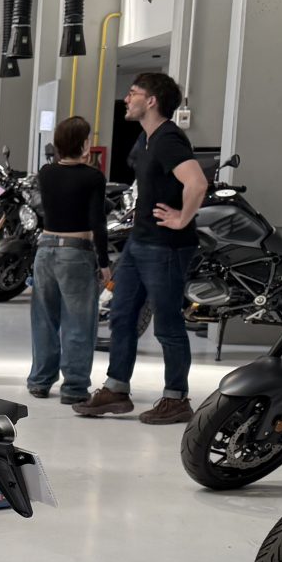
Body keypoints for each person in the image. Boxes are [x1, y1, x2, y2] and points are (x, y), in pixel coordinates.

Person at [76, 70, 208, 424]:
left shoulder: (168, 139)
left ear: (151, 101)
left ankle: (176, 398)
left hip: (166, 245)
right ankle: (116, 389)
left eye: (133, 93)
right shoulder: (146, 139)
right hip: (140, 241)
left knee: (167, 324)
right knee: (122, 316)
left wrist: (182, 218)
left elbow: (197, 183)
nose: (127, 98)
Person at [26, 116, 105, 405]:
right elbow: (97, 222)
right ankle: (74, 387)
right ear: (84, 143)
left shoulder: (46, 173)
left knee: (44, 319)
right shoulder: (93, 177)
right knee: (78, 321)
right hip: (76, 251)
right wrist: (105, 262)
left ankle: (40, 381)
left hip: (45, 249)